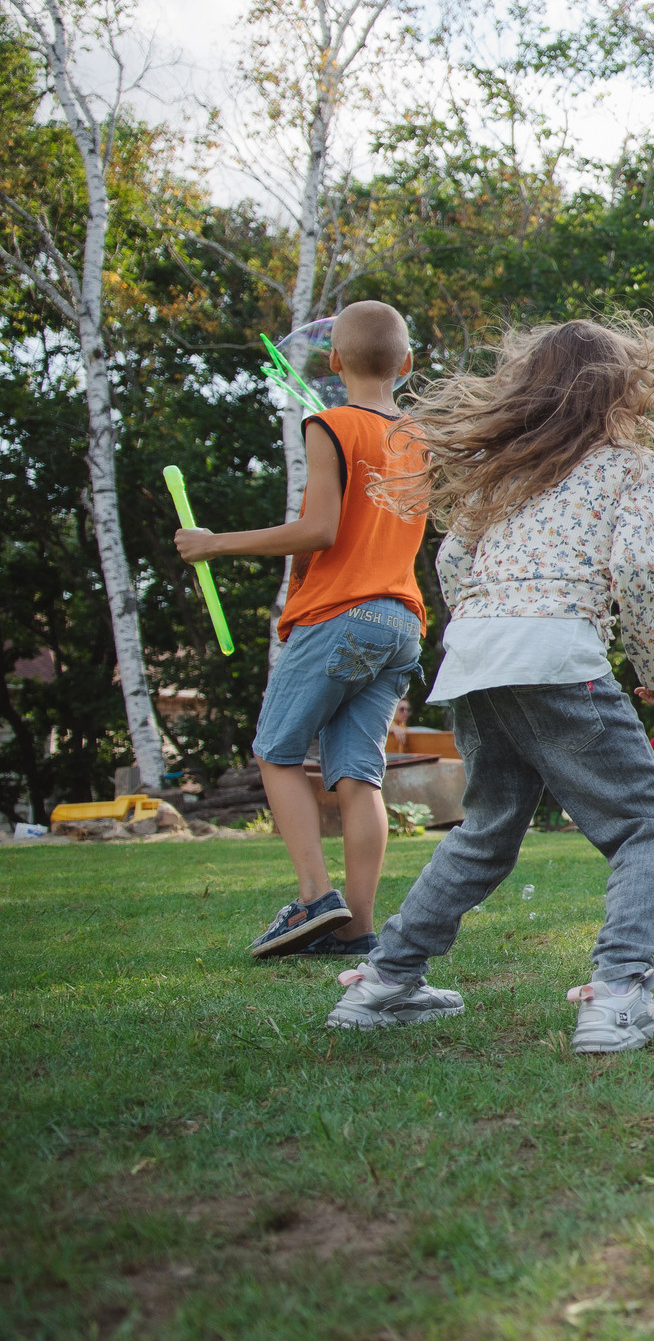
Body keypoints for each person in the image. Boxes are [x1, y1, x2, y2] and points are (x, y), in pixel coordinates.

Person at [325, 317, 654, 1054]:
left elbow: (452, 561)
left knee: (486, 831)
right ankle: (618, 996)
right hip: (557, 655)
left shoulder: (506, 467)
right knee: (649, 824)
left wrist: (486, 628)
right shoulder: (632, 467)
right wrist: (652, 669)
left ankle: (384, 980)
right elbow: (633, 569)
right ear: (621, 390)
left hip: (475, 658)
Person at [174, 301, 427, 962]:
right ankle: (356, 929)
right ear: (406, 363)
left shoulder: (329, 424)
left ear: (335, 359)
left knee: (276, 751)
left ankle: (315, 897)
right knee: (358, 775)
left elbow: (319, 530)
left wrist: (213, 543)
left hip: (341, 615)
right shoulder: (420, 438)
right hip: (401, 621)